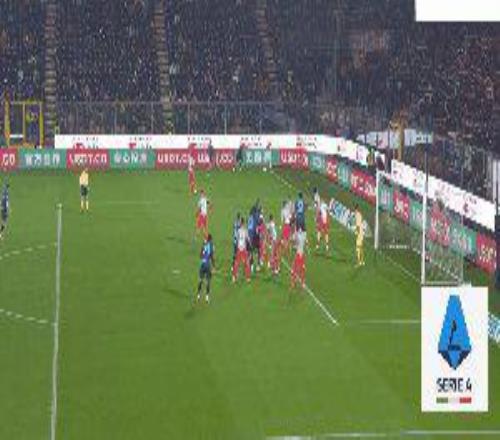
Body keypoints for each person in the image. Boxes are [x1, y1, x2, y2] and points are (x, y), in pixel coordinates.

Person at [196, 234, 215, 304]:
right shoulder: (211, 245)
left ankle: (198, 295)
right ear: (211, 239)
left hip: (202, 264)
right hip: (207, 265)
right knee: (208, 281)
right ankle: (207, 297)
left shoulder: (204, 244)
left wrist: (203, 256)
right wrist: (213, 267)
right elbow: (212, 256)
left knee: (200, 280)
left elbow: (200, 255)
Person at [232, 217, 251, 283]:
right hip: (243, 248)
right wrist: (250, 246)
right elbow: (248, 239)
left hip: (239, 248)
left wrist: (236, 247)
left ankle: (234, 277)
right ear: (244, 223)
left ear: (241, 223)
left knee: (236, 263)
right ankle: (247, 277)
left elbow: (236, 239)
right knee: (247, 263)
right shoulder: (245, 230)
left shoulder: (238, 230)